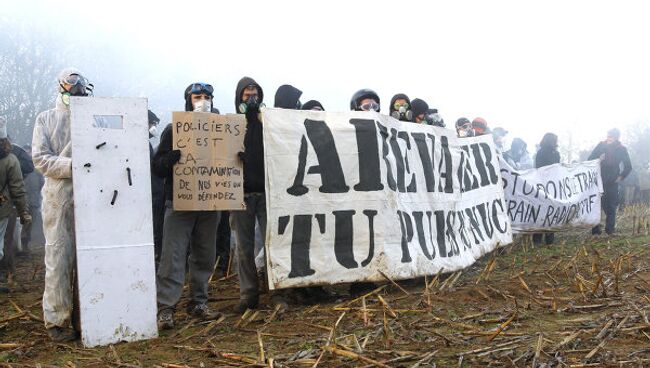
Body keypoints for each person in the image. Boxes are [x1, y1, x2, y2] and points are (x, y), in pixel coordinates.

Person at [153, 83, 222, 330]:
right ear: (188, 101)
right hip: (179, 202)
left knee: (204, 255)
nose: (202, 100)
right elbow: (157, 166)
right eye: (197, 97)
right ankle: (166, 308)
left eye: (206, 97)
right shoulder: (174, 130)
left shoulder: (223, 130)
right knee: (173, 256)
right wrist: (168, 160)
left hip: (211, 201)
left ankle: (198, 302)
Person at [32, 68, 92, 341]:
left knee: (89, 258)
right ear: (60, 87)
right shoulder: (45, 119)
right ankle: (57, 320)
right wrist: (74, 166)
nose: (72, 92)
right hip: (58, 196)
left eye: (77, 89)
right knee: (58, 256)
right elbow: (40, 159)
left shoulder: (92, 119)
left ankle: (86, 317)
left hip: (91, 195)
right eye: (68, 87)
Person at [231, 76, 290, 313]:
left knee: (273, 245)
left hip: (267, 192)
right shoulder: (232, 124)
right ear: (239, 99)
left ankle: (277, 292)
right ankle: (249, 294)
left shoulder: (268, 123)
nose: (251, 97)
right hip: (240, 194)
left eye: (255, 94)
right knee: (243, 247)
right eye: (247, 94)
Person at [0, 118, 31, 293]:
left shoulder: (12, 160)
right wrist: (23, 212)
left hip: (3, 209)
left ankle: (9, 275)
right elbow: (18, 189)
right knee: (3, 245)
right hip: (3, 209)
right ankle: (9, 275)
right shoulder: (11, 159)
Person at [588, 128, 632, 235]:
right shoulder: (601, 145)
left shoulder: (621, 149)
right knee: (597, 205)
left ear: (617, 137)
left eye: (611, 136)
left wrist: (621, 177)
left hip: (613, 181)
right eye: (608, 136)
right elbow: (589, 160)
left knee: (611, 206)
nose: (608, 138)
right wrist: (599, 159)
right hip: (599, 180)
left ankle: (610, 230)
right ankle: (595, 230)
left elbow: (628, 166)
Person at [532, 133, 560, 245]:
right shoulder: (542, 152)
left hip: (551, 185)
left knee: (548, 211)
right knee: (544, 211)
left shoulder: (555, 153)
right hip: (545, 185)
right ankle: (541, 238)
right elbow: (539, 168)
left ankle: (546, 238)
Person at [19, 145, 45, 255]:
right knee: (20, 224)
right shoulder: (19, 167)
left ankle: (25, 246)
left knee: (29, 225)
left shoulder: (37, 170)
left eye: (29, 152)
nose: (28, 154)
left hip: (33, 201)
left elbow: (42, 185)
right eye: (26, 152)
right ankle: (18, 246)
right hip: (21, 201)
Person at [148, 110, 165, 266]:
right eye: (152, 124)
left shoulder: (147, 145)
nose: (153, 128)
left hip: (156, 194)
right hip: (153, 195)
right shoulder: (142, 145)